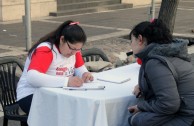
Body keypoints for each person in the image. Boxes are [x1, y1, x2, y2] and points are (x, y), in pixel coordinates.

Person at [16, 20, 94, 114]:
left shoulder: (74, 49)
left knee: (81, 107)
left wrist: (84, 73)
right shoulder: (47, 50)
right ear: (62, 39)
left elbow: (79, 67)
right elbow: (32, 77)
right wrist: (67, 81)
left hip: (57, 92)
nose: (74, 53)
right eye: (72, 49)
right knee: (68, 111)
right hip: (31, 94)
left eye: (78, 49)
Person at [127, 19, 194, 126]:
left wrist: (141, 106)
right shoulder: (169, 52)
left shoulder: (155, 62)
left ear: (140, 39)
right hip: (186, 112)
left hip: (186, 118)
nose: (131, 45)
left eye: (131, 41)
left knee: (136, 119)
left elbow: (169, 104)